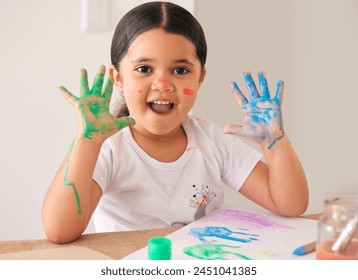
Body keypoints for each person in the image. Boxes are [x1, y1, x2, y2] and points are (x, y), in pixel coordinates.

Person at [42, 1, 308, 244]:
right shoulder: (109, 147)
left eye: (180, 70)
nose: (163, 84)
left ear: (200, 78)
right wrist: (86, 142)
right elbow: (60, 231)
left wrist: (275, 142)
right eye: (144, 69)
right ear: (118, 78)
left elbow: (290, 204)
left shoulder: (211, 141)